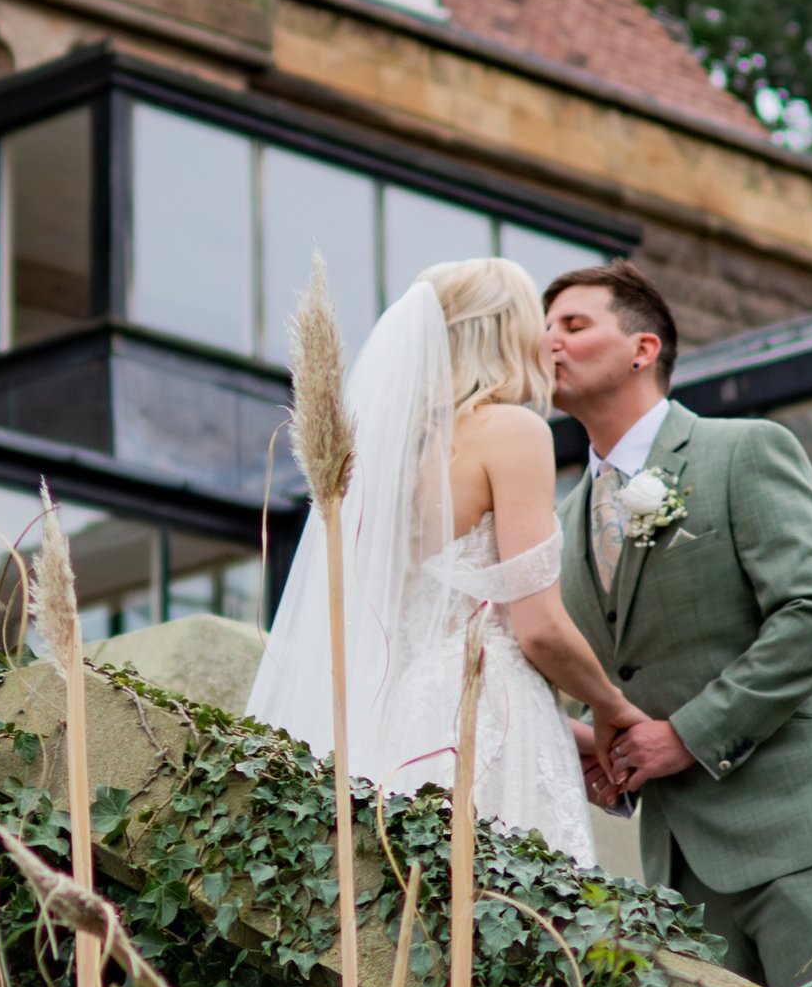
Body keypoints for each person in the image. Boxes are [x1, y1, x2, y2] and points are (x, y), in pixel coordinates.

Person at [544, 258, 812, 987]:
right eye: (542, 329)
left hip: (805, 837)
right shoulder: (564, 519)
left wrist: (686, 736)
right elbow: (627, 664)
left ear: (643, 349)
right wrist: (599, 741)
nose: (549, 343)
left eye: (573, 325)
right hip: (678, 866)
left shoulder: (743, 450)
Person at [248, 258, 635, 863]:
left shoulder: (387, 456)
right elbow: (537, 629)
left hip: (408, 717)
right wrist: (613, 709)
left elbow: (418, 630)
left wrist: (570, 736)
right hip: (487, 707)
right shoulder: (511, 430)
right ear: (506, 331)